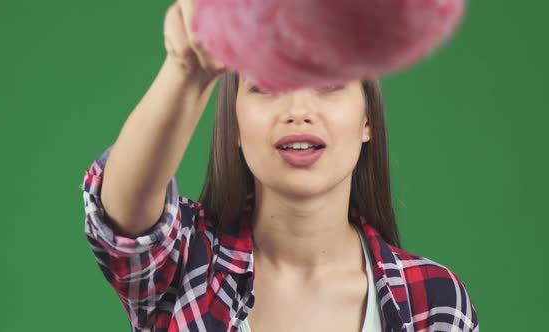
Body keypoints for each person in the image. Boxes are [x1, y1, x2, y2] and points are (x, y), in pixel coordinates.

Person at [81, 1, 479, 331]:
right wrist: (187, 69)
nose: (298, 111)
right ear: (235, 125)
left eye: (329, 82)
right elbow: (123, 220)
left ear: (367, 119)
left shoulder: (435, 302)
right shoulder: (185, 265)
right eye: (268, 86)